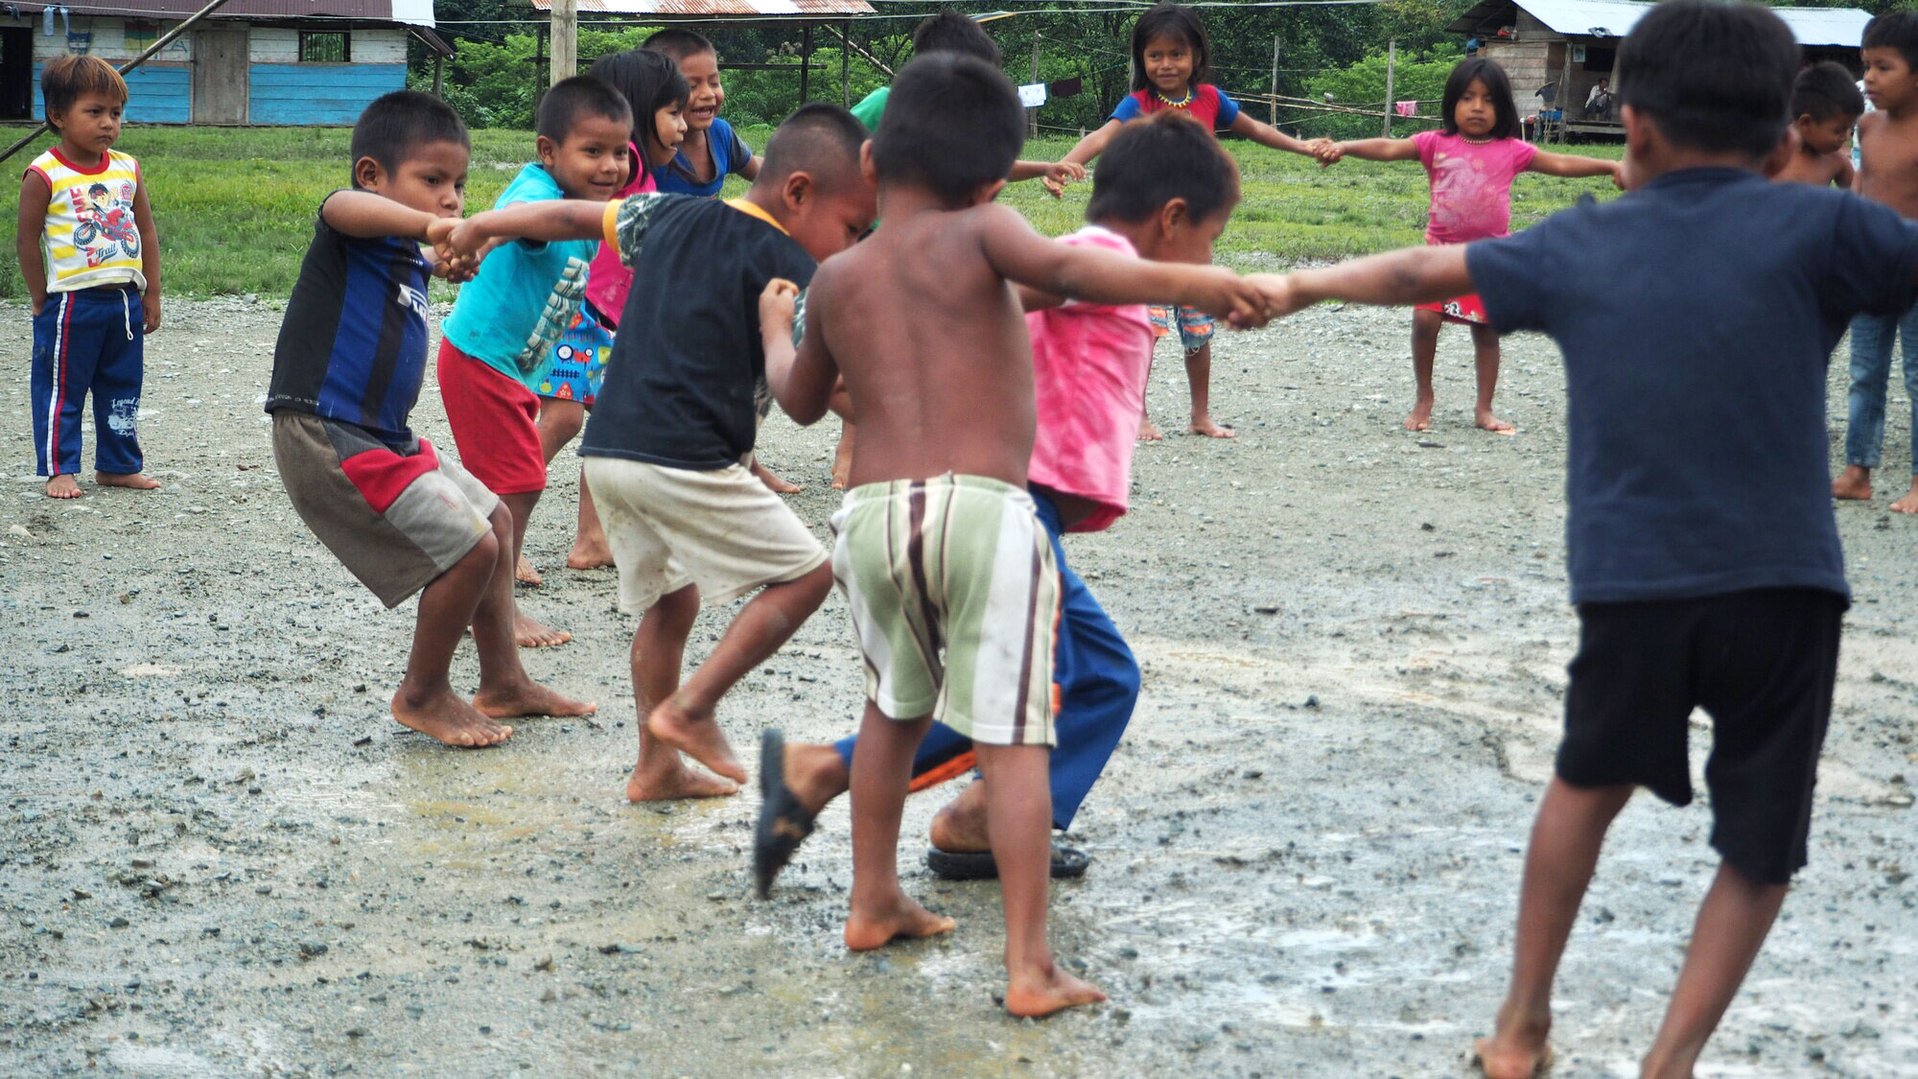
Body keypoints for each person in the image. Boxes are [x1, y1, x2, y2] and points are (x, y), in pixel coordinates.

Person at [1260, 2, 1918, 1073]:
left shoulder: (1584, 238)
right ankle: (1670, 1061)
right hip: (1786, 589)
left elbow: (1427, 274)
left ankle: (1521, 1022)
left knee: (1585, 786)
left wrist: (1294, 285)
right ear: (1780, 136)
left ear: (1636, 130)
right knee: (1760, 847)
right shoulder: (1829, 227)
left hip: (1634, 585)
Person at [757, 53, 1271, 1019]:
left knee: (890, 712)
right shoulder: (992, 230)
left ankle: (871, 902)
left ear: (871, 160)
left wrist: (775, 326)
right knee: (1019, 737)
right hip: (985, 510)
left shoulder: (835, 276)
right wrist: (1202, 287)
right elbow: (1075, 268)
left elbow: (795, 401)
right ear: (996, 180)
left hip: (869, 518)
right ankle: (1029, 964)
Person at [441, 103, 878, 803]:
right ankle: (695, 706)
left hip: (611, 450)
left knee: (671, 604)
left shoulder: (668, 213)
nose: (852, 246)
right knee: (808, 575)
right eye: (854, 228)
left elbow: (569, 219)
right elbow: (813, 393)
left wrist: (483, 225)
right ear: (799, 194)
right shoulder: (795, 272)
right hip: (687, 456)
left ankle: (656, 765)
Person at [265, 91, 595, 750]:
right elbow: (340, 205)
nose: (450, 199)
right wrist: (430, 231)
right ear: (372, 175)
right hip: (327, 431)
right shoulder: (346, 222)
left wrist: (446, 251)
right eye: (433, 181)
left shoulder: (404, 255)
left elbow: (439, 259)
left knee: (496, 521)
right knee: (468, 547)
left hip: (383, 434)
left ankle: (502, 681)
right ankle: (423, 691)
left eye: (459, 185)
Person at [1044, 2, 1330, 440]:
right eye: (1155, 55)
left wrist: (1303, 146)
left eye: (1176, 54)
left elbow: (1257, 130)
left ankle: (1200, 415)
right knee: (1146, 331)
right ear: (1141, 59)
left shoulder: (1212, 100)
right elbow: (1103, 136)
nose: (1166, 64)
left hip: (1194, 243)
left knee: (1199, 332)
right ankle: (1136, 413)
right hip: (1149, 246)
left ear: (1196, 55)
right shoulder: (1137, 103)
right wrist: (1062, 165)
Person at [831, 10, 1085, 491]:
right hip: (873, 245)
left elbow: (988, 166)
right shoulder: (887, 103)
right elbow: (836, 145)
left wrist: (1044, 166)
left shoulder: (961, 123)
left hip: (927, 252)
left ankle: (904, 449)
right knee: (867, 351)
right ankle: (853, 447)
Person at [1317, 58, 1622, 433]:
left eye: (1488, 100)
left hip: (1489, 260)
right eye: (1467, 98)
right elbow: (1388, 147)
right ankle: (1424, 398)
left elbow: (1560, 163)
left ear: (1503, 108)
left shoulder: (1513, 150)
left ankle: (1484, 409)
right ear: (1452, 104)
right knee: (1424, 322)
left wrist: (1609, 167)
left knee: (1487, 333)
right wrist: (1345, 146)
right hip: (1438, 256)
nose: (1477, 107)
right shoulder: (1434, 144)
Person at [436, 75, 632, 647]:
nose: (610, 166)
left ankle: (487, 582)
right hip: (481, 360)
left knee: (510, 484)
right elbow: (520, 222)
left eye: (620, 152)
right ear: (549, 151)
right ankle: (495, 605)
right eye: (592, 151)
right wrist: (484, 235)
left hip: (513, 365)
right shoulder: (540, 196)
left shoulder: (589, 208)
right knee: (518, 480)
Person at [515, 51, 688, 587]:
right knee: (563, 419)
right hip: (578, 311)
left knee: (606, 424)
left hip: (609, 318)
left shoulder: (634, 165)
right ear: (640, 112)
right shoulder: (626, 164)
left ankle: (592, 539)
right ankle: (489, 527)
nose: (683, 126)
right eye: (673, 113)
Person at [644, 27, 804, 496]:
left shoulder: (720, 137)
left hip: (706, 275)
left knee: (756, 355)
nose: (707, 93)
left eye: (713, 80)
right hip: (659, 283)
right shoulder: (649, 148)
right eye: (691, 84)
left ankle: (743, 458)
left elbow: (768, 175)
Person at [19, 55, 162, 500]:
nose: (108, 124)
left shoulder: (126, 167)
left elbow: (147, 229)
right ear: (58, 116)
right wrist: (40, 296)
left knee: (123, 387)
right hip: (71, 303)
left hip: (123, 302)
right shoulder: (44, 173)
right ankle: (60, 467)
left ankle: (118, 465)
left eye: (115, 113)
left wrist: (151, 291)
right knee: (63, 387)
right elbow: (26, 240)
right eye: (95, 112)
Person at [1834, 10, 1918, 513]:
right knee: (1865, 372)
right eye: (1866, 65)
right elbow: (1863, 188)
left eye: (1884, 67)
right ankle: (1857, 471)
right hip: (1872, 266)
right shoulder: (1867, 125)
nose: (1868, 78)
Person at [1771, 61, 1863, 188]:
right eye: (1838, 130)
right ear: (1806, 123)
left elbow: (1858, 200)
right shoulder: (1769, 155)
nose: (1846, 137)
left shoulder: (1835, 161)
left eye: (1849, 128)